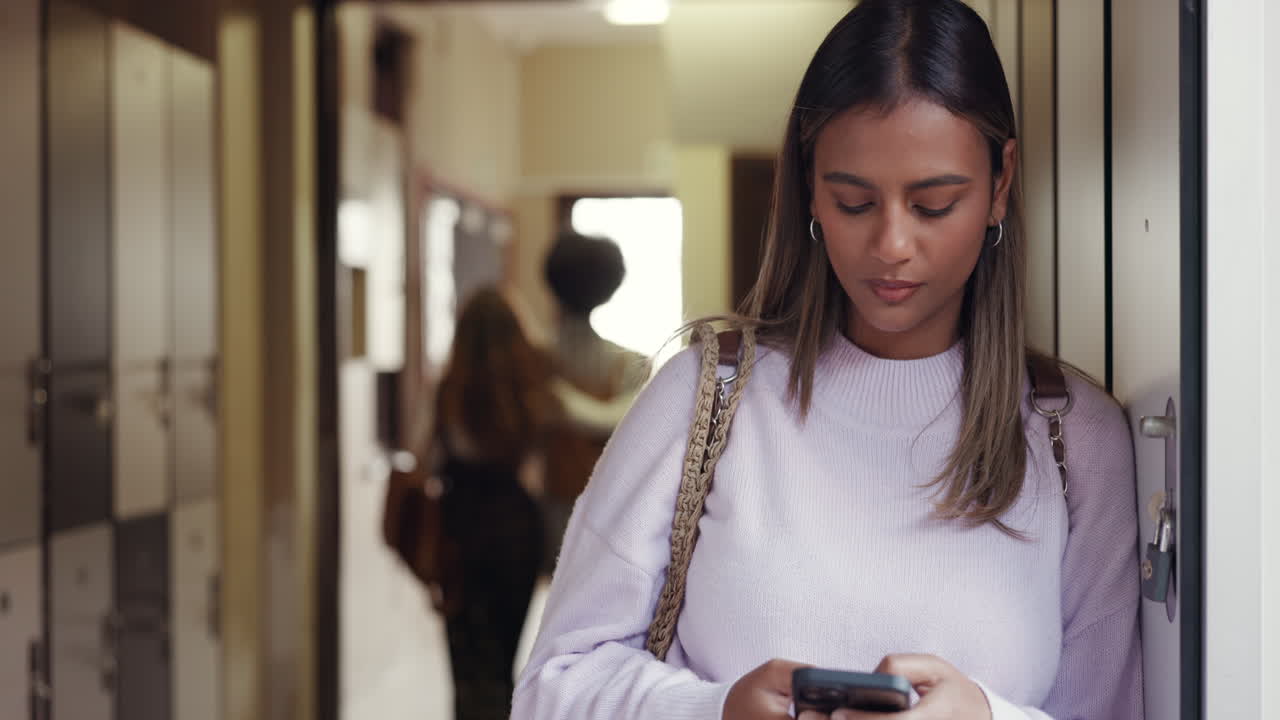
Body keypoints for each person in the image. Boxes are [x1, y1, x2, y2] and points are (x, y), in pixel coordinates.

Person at [512, 2, 1142, 719]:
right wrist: (715, 710)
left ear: (1000, 183)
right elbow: (550, 688)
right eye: (853, 202)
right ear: (810, 183)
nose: (892, 244)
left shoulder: (1073, 438)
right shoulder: (703, 398)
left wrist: (987, 717)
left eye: (934, 204)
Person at [424, 287, 558, 720]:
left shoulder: (449, 389)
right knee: (504, 660)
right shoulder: (528, 388)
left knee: (466, 666)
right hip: (517, 530)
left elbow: (425, 458)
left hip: (461, 531)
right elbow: (539, 464)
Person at [539, 230, 650, 571]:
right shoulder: (631, 363)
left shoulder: (536, 362)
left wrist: (559, 400)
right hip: (609, 514)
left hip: (554, 509)